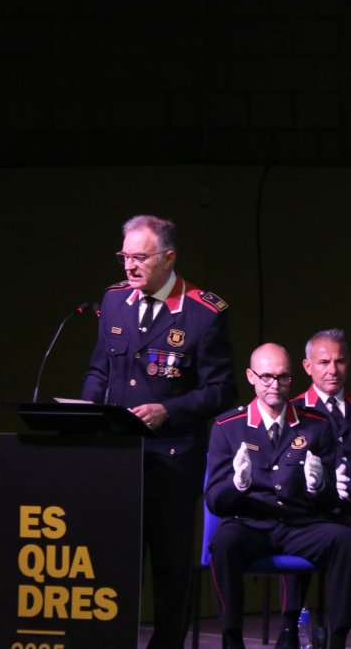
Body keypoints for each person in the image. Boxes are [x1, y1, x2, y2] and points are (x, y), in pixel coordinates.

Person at [80, 215, 236, 649]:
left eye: (140, 257)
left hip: (172, 460)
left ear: (168, 259)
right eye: (124, 256)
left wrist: (169, 410)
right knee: (115, 563)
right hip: (119, 458)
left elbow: (222, 390)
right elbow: (99, 368)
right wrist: (88, 408)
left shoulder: (203, 313)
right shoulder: (114, 300)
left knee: (170, 569)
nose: (129, 266)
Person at [205, 343, 351, 649]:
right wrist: (237, 484)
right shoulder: (228, 427)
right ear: (251, 376)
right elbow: (214, 500)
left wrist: (320, 486)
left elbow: (332, 502)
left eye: (283, 377)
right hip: (250, 524)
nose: (274, 385)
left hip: (298, 526)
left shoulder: (316, 425)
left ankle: (338, 639)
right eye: (266, 377)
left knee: (345, 540)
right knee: (224, 543)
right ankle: (231, 638)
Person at [277, 329, 351, 644]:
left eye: (339, 361)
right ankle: (289, 625)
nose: (333, 370)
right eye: (324, 362)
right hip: (315, 512)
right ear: (307, 366)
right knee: (290, 524)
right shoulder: (292, 411)